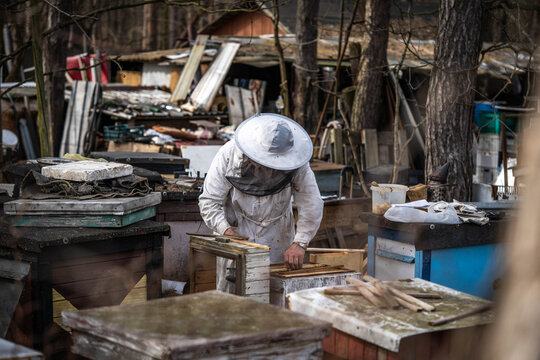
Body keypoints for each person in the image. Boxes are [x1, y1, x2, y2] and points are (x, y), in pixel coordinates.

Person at [199, 113, 323, 292]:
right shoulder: (229, 153)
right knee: (231, 300)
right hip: (237, 233)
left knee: (274, 300)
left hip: (278, 235)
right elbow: (209, 201)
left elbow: (311, 201)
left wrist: (300, 242)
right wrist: (227, 231)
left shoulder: (298, 162)